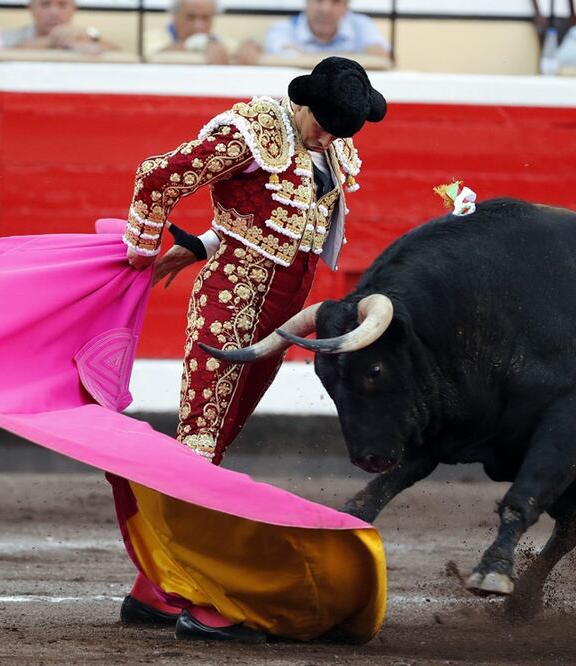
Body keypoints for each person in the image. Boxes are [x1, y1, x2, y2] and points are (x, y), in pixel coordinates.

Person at [121, 56, 386, 641]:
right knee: (200, 441)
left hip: (281, 315)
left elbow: (270, 216)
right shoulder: (253, 129)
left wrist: (203, 242)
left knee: (217, 439)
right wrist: (140, 251)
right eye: (325, 124)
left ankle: (154, 589)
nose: (330, 137)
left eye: (342, 129)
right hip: (233, 302)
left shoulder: (330, 146)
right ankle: (198, 595)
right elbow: (158, 175)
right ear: (304, 102)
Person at [144, 0, 260, 65]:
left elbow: (240, 48)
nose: (198, 26)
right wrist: (197, 44)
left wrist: (252, 45)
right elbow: (152, 56)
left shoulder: (219, 41)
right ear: (175, 16)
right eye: (190, 17)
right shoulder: (154, 37)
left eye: (205, 18)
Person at [263, 0, 389, 57]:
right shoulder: (282, 30)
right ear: (306, 2)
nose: (325, 10)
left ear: (346, 6)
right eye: (319, 0)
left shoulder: (363, 26)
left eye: (335, 2)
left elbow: (383, 57)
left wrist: (304, 56)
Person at [3, 0, 117, 55]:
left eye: (62, 5)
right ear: (30, 9)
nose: (54, 12)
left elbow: (116, 51)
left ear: (74, 9)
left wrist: (86, 36)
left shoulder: (81, 35)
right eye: (45, 4)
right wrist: (54, 41)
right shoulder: (9, 37)